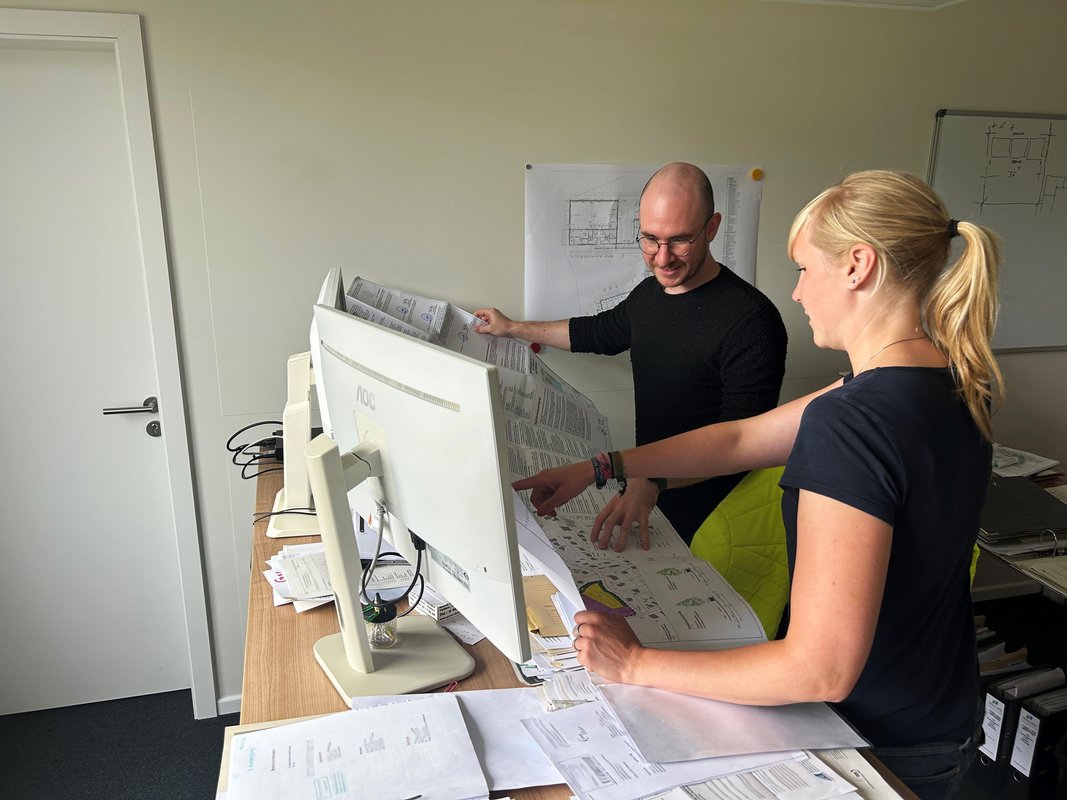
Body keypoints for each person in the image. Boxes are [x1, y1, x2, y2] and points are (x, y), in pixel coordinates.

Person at [514, 170, 1002, 800]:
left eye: (804, 269)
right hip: (941, 717)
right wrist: (601, 466)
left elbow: (819, 668)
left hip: (872, 741)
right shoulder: (952, 382)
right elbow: (740, 439)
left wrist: (635, 663)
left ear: (857, 266)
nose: (797, 292)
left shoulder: (852, 420)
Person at [475, 162, 787, 550]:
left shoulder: (753, 320)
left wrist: (652, 478)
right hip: (650, 502)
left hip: (724, 524)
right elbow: (594, 333)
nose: (662, 258)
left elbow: (740, 446)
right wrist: (512, 328)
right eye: (650, 239)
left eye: (680, 241)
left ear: (712, 228)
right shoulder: (649, 296)